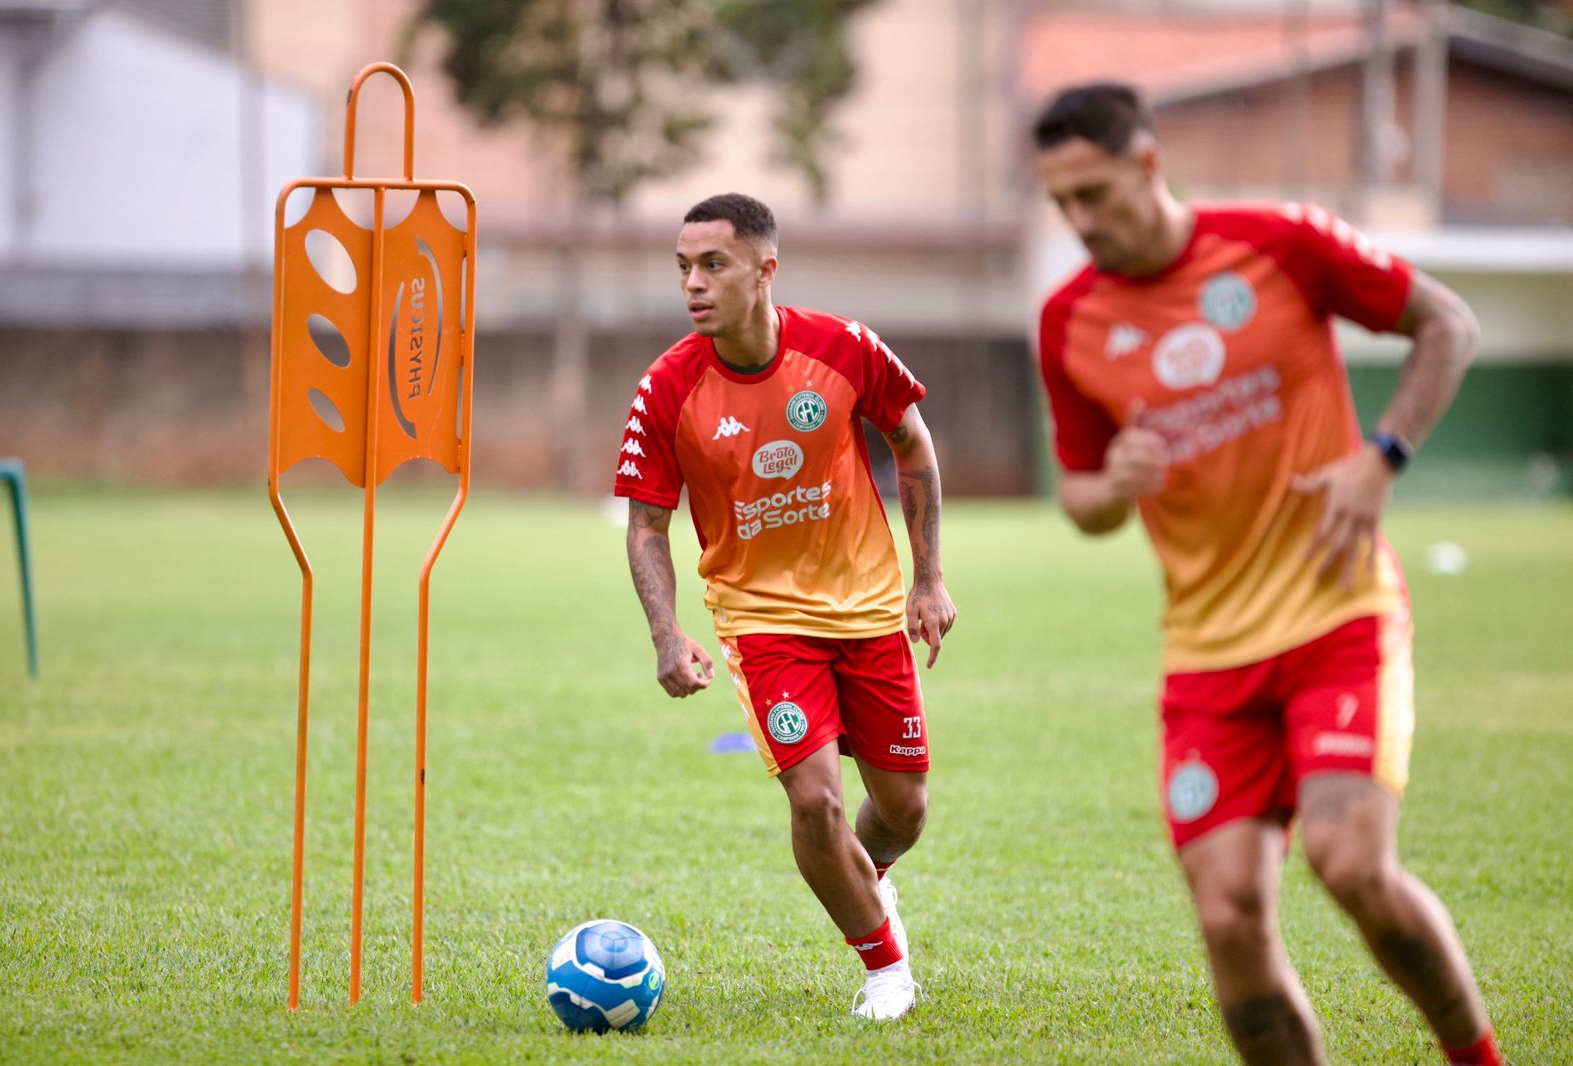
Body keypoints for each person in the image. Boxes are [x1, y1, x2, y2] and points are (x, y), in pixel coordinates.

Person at [1031, 83, 1500, 1065]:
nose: (1078, 222)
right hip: (1206, 657)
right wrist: (1111, 487)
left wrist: (1383, 456)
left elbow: (1445, 324)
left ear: (1148, 164)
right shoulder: (1069, 322)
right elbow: (1079, 499)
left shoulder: (1280, 243)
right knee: (1230, 921)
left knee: (1350, 864)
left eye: (1093, 193)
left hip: (1338, 614)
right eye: (1059, 203)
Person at [613, 192, 956, 1021]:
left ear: (766, 269)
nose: (693, 284)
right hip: (762, 620)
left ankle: (863, 881)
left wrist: (928, 578)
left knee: (904, 810)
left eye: (712, 265)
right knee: (816, 801)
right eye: (683, 268)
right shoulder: (666, 388)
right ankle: (884, 967)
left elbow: (911, 444)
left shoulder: (842, 349)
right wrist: (667, 633)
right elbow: (647, 524)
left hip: (869, 610)